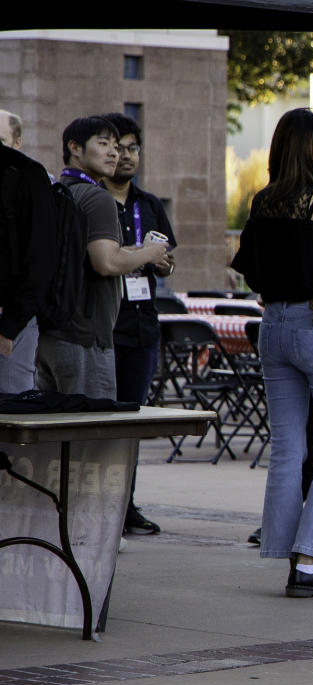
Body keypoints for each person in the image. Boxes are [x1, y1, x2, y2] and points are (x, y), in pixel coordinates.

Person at [231, 108, 313, 599]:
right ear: (312, 148)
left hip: (274, 327)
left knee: (288, 448)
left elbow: (248, 269)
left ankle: (288, 550)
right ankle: (311, 561)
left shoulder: (263, 201)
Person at [36, 116, 169, 399]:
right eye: (104, 143)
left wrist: (131, 252)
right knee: (94, 434)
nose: (114, 153)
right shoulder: (98, 198)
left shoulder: (58, 191)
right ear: (75, 147)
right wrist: (149, 253)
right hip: (87, 337)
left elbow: (86, 255)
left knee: (54, 434)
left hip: (50, 333)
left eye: (117, 147)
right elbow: (106, 263)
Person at [99, 112, 177, 536]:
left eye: (132, 148)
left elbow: (167, 260)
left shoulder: (148, 205)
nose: (125, 156)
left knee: (131, 422)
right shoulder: (92, 199)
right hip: (103, 328)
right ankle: (97, 501)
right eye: (118, 147)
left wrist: (161, 259)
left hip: (143, 326)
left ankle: (125, 503)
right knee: (100, 421)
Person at [0, 135, 55, 394]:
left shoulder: (24, 174)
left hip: (9, 319)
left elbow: (40, 258)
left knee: (10, 417)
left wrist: (11, 327)